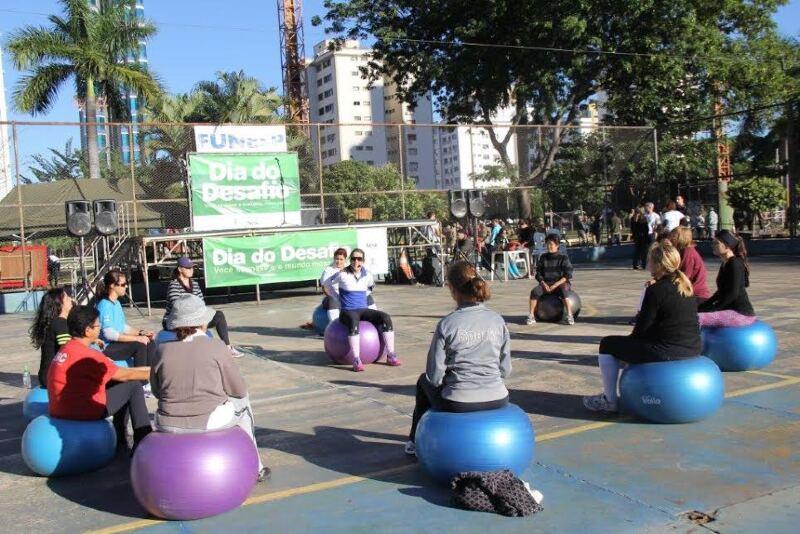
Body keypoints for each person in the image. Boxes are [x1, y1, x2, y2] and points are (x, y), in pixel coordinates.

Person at [151, 294, 269, 482]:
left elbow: (157, 391)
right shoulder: (216, 346)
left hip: (166, 422)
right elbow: (238, 389)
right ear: (202, 322)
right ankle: (257, 466)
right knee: (244, 404)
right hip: (207, 421)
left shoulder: (161, 350)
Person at [404, 261, 510, 456]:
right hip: (498, 397)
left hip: (459, 401)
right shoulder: (498, 320)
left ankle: (413, 441)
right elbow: (505, 370)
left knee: (422, 382)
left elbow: (433, 376)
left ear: (452, 290)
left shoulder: (447, 324)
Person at [583, 241, 700, 413]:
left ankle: (609, 400)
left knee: (608, 344)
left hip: (668, 350)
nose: (648, 264)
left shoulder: (656, 290)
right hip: (693, 347)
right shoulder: (685, 287)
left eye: (650, 260)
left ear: (658, 264)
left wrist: (626, 354)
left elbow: (641, 330)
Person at [48, 306, 152, 452]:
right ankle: (144, 440)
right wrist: (158, 373)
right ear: (87, 330)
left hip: (60, 408)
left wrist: (149, 369)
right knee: (133, 386)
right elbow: (125, 375)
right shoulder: (88, 355)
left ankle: (121, 438)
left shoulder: (66, 348)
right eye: (98, 325)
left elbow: (116, 373)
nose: (100, 328)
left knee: (118, 383)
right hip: (80, 411)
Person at [323, 248, 402, 372]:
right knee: (354, 320)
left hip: (363, 310)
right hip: (347, 312)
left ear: (363, 261)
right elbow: (327, 283)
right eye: (353, 258)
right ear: (350, 260)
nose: (356, 261)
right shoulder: (342, 273)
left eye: (359, 259)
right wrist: (336, 296)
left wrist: (362, 296)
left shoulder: (367, 274)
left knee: (385, 317)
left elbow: (371, 287)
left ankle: (391, 354)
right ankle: (356, 359)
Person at [164, 257, 240, 357]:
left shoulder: (195, 284)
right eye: (187, 268)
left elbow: (201, 303)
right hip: (178, 320)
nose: (191, 270)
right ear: (180, 269)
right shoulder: (174, 285)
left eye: (192, 268)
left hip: (194, 319)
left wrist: (201, 318)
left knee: (219, 315)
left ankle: (227, 347)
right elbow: (178, 307)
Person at [96, 270, 156, 369]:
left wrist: (141, 333)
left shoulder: (116, 303)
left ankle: (150, 375)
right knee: (139, 345)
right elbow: (109, 333)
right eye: (123, 284)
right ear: (112, 285)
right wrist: (137, 338)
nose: (126, 287)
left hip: (117, 343)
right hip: (107, 346)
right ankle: (142, 381)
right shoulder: (104, 305)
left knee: (150, 341)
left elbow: (123, 327)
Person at [697, 230, 756, 327]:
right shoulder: (726, 263)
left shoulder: (735, 263)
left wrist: (713, 309)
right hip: (730, 309)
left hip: (740, 314)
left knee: (696, 318)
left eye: (716, 243)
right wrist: (704, 306)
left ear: (727, 246)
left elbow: (733, 293)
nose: (713, 245)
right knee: (696, 309)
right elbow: (721, 292)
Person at [526, 234, 575, 325]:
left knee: (563, 291)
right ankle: (531, 315)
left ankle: (569, 315)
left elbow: (568, 274)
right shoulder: (543, 257)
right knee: (534, 291)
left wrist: (556, 285)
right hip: (546, 283)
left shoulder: (563, 258)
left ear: (557, 245)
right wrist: (543, 283)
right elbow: (539, 273)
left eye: (551, 244)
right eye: (547, 244)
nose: (549, 246)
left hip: (560, 283)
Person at [30, 288, 74, 386]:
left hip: (47, 374)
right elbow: (69, 349)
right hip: (54, 375)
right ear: (60, 304)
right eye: (67, 298)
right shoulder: (60, 323)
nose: (71, 299)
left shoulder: (54, 322)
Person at [669, 226, 711, 303]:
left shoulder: (688, 252)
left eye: (673, 236)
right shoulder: (683, 251)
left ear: (681, 238)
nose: (670, 239)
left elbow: (684, 276)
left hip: (696, 295)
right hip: (690, 293)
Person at [320, 248, 348, 321]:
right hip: (332, 299)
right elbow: (324, 288)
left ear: (345, 259)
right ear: (334, 258)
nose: (338, 261)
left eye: (341, 259)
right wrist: (336, 299)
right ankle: (335, 325)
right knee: (332, 300)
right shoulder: (328, 270)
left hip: (346, 299)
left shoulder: (349, 269)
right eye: (337, 259)